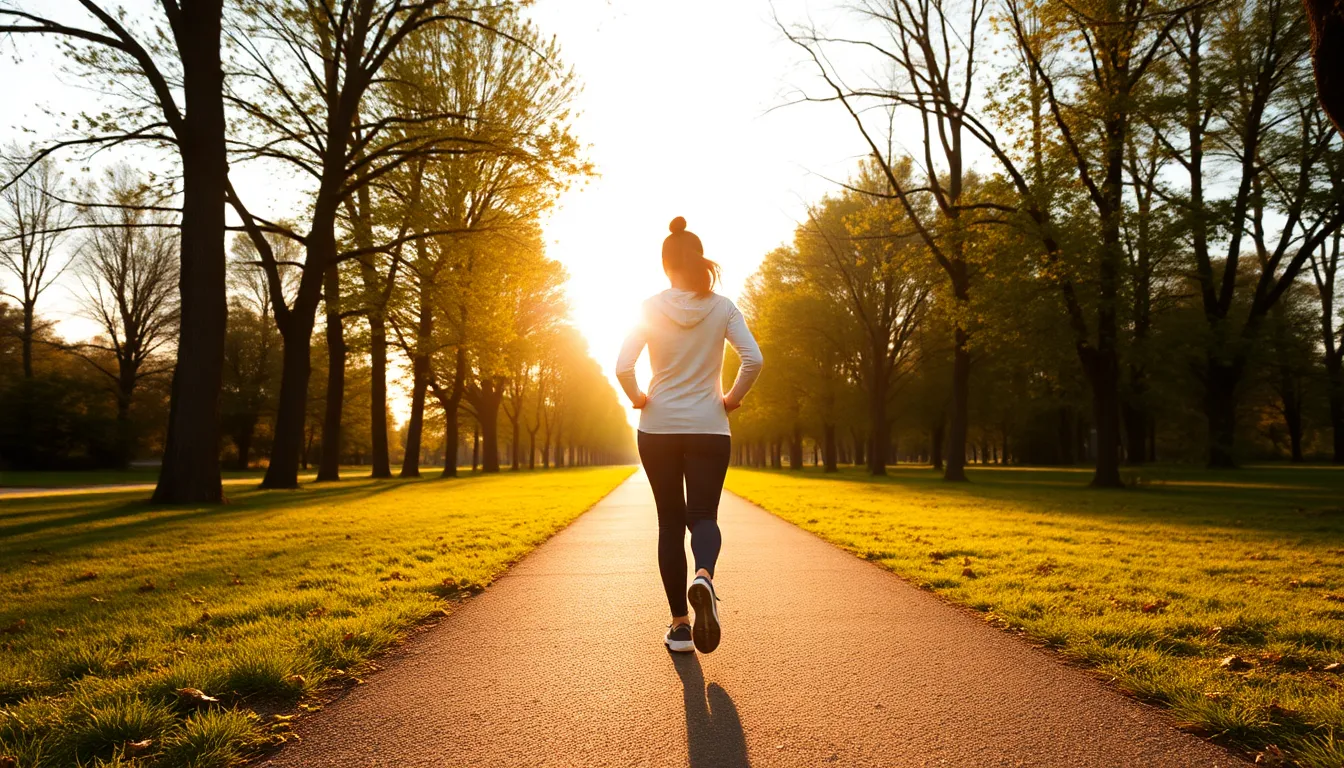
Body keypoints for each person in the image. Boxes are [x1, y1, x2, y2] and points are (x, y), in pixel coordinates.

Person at [616, 216, 763, 654]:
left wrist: (639, 397)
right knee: (703, 517)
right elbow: (753, 359)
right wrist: (731, 398)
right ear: (699, 260)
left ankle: (680, 626)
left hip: (658, 427)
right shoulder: (723, 307)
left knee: (668, 524)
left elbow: (623, 366)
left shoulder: (648, 307)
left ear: (665, 265)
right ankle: (704, 576)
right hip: (708, 427)